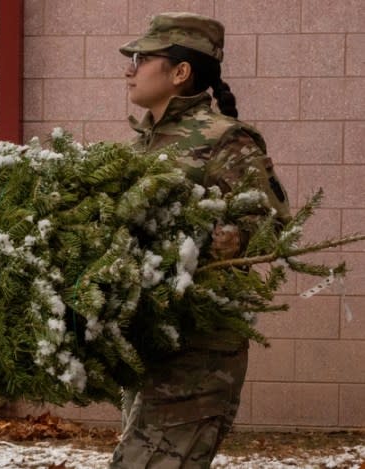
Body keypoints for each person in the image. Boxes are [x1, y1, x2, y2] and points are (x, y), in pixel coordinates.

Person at [112, 12, 290, 468]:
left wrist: (225, 239)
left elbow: (270, 220)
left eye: (140, 58)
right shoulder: (141, 146)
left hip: (200, 348)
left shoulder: (225, 139)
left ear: (180, 71)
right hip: (152, 341)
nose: (128, 69)